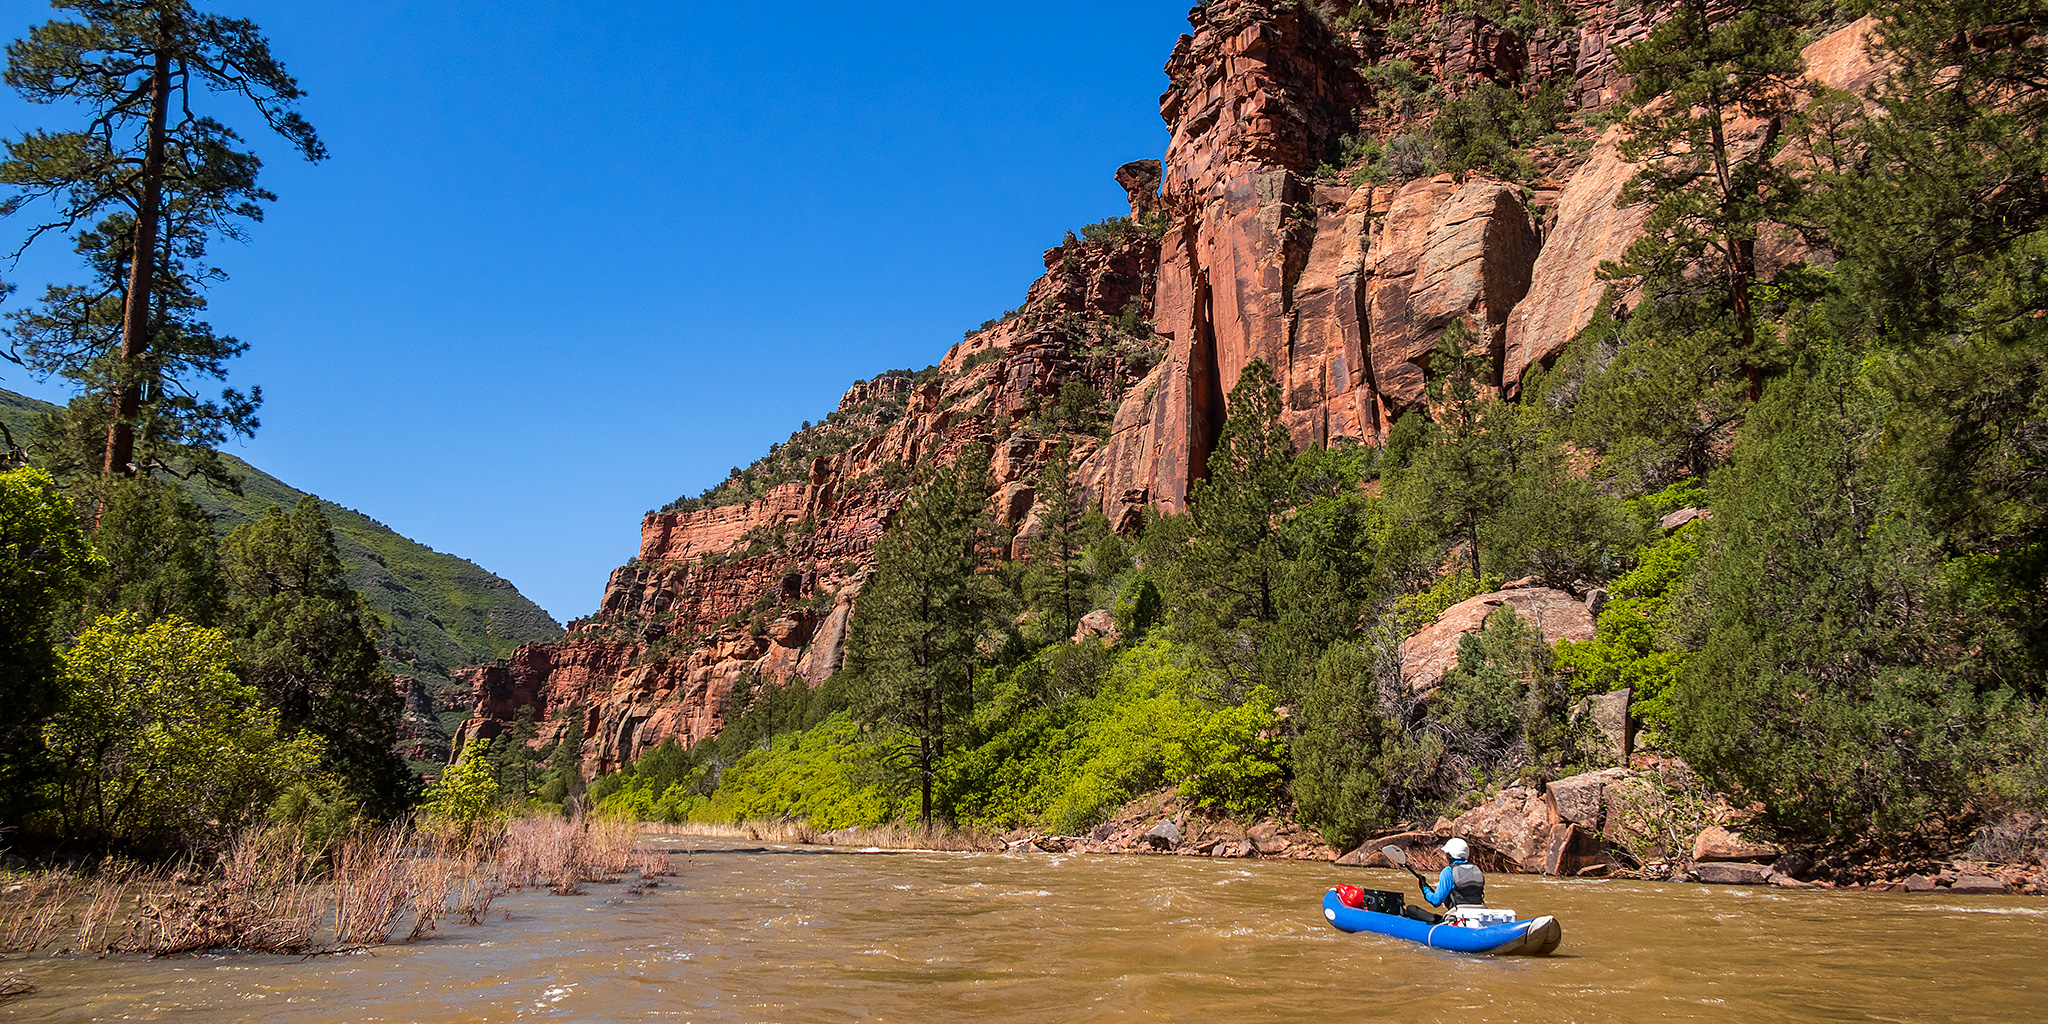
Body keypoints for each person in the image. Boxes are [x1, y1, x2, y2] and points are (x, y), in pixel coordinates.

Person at [1402, 837, 1486, 923]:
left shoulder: (1448, 871)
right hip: (1481, 913)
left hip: (1458, 915)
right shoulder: (1477, 870)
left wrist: (1424, 888)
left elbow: (1435, 901)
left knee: (1411, 909)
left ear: (1450, 855)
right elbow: (1466, 894)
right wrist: (1447, 900)